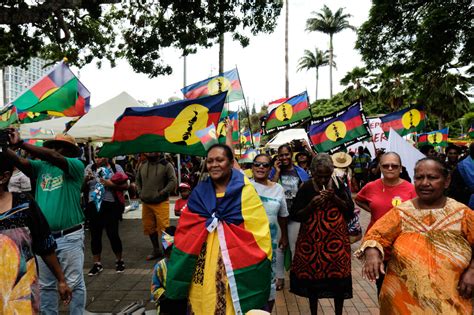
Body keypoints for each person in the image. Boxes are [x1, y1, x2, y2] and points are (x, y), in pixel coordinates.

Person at [357, 157, 474, 313]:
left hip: (451, 301)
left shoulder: (463, 214)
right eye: (419, 178)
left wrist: (472, 270)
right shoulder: (401, 213)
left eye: (432, 177)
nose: (425, 183)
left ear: (446, 181)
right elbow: (376, 235)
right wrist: (372, 251)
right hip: (403, 303)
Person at [165, 144, 272, 314]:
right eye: (210, 161)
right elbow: (187, 229)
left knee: (230, 303)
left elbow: (258, 231)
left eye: (220, 160)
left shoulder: (246, 192)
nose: (214, 164)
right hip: (202, 263)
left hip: (233, 266)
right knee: (202, 300)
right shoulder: (199, 193)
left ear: (230, 163)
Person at [3, 130, 86, 314]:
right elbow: (19, 161)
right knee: (46, 285)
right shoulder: (41, 167)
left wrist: (21, 144)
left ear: (70, 152)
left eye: (61, 147)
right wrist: (3, 147)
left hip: (70, 236)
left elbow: (54, 156)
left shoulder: (76, 166)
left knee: (74, 283)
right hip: (44, 239)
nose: (56, 150)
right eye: (54, 146)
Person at [0, 154, 72, 313]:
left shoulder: (24, 204)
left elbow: (45, 245)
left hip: (20, 297)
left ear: (4, 177)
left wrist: (61, 280)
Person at [290, 153, 354, 315]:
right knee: (313, 281)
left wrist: (336, 199)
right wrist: (311, 205)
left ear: (332, 171)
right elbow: (296, 215)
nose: (324, 180)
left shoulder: (339, 185)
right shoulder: (306, 187)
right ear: (312, 172)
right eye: (319, 176)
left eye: (327, 176)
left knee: (338, 279)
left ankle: (338, 312)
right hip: (311, 243)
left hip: (336, 242)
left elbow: (350, 211)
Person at [354, 152, 417, 294]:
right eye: (385, 165)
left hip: (403, 247)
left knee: (403, 291)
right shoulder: (370, 187)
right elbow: (358, 199)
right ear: (380, 168)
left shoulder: (411, 189)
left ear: (400, 168)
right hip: (378, 247)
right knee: (383, 289)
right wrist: (374, 212)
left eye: (394, 166)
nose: (390, 168)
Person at [251, 153, 289, 312]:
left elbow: (283, 215)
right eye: (257, 164)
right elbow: (231, 162)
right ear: (252, 166)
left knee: (270, 284)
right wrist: (230, 133)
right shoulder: (245, 185)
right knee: (250, 282)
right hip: (248, 244)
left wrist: (285, 236)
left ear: (270, 168)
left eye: (265, 165)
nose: (261, 167)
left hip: (270, 246)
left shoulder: (278, 189)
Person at [269, 144, 309, 290]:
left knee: (294, 247)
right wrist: (277, 171)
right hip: (279, 215)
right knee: (280, 246)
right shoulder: (274, 171)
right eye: (281, 155)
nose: (284, 157)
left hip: (295, 215)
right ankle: (279, 278)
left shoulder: (300, 172)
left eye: (286, 154)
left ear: (291, 154)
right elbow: (270, 188)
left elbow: (306, 192)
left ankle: (295, 277)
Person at [84, 155, 129, 276]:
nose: (98, 159)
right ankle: (96, 264)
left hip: (110, 205)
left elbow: (126, 186)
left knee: (113, 234)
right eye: (95, 157)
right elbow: (82, 187)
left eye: (101, 156)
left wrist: (110, 184)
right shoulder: (90, 168)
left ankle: (119, 260)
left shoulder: (116, 167)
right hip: (93, 204)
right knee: (95, 235)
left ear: (107, 157)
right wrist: (85, 180)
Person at [136, 152, 177, 260]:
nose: (151, 152)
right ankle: (156, 250)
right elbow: (138, 180)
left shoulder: (166, 165)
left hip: (161, 202)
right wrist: (140, 192)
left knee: (164, 228)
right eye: (149, 151)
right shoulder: (142, 165)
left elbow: (173, 181)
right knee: (149, 227)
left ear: (159, 152)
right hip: (146, 202)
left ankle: (167, 252)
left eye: (154, 150)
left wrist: (162, 192)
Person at [151, 226, 177, 315]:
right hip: (167, 303)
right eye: (169, 253)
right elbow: (154, 289)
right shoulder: (159, 267)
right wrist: (164, 295)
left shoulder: (186, 264)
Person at [448, 142, 474, 208]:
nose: (453, 155)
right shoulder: (461, 166)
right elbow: (456, 187)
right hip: (466, 200)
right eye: (450, 153)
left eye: (454, 153)